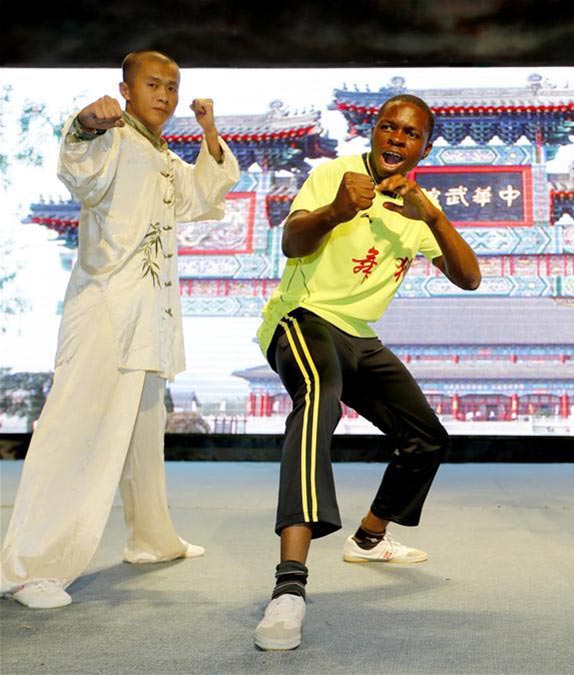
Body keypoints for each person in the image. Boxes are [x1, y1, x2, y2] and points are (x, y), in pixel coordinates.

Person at [0, 50, 240, 609]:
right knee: (74, 431)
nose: (165, 94)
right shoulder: (111, 136)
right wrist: (86, 124)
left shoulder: (161, 155)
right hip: (106, 310)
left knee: (143, 432)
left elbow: (201, 197)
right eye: (153, 84)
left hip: (148, 314)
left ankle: (151, 539)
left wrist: (208, 132)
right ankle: (32, 566)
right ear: (126, 90)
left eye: (173, 87)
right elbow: (77, 166)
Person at [253, 94, 481, 650]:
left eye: (410, 134)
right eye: (387, 128)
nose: (396, 140)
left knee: (426, 437)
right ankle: (288, 588)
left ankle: (370, 537)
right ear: (373, 132)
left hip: (360, 336)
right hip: (302, 321)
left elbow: (468, 277)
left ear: (424, 147)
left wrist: (433, 215)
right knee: (319, 403)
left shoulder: (416, 206)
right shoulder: (335, 174)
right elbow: (291, 242)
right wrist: (335, 210)